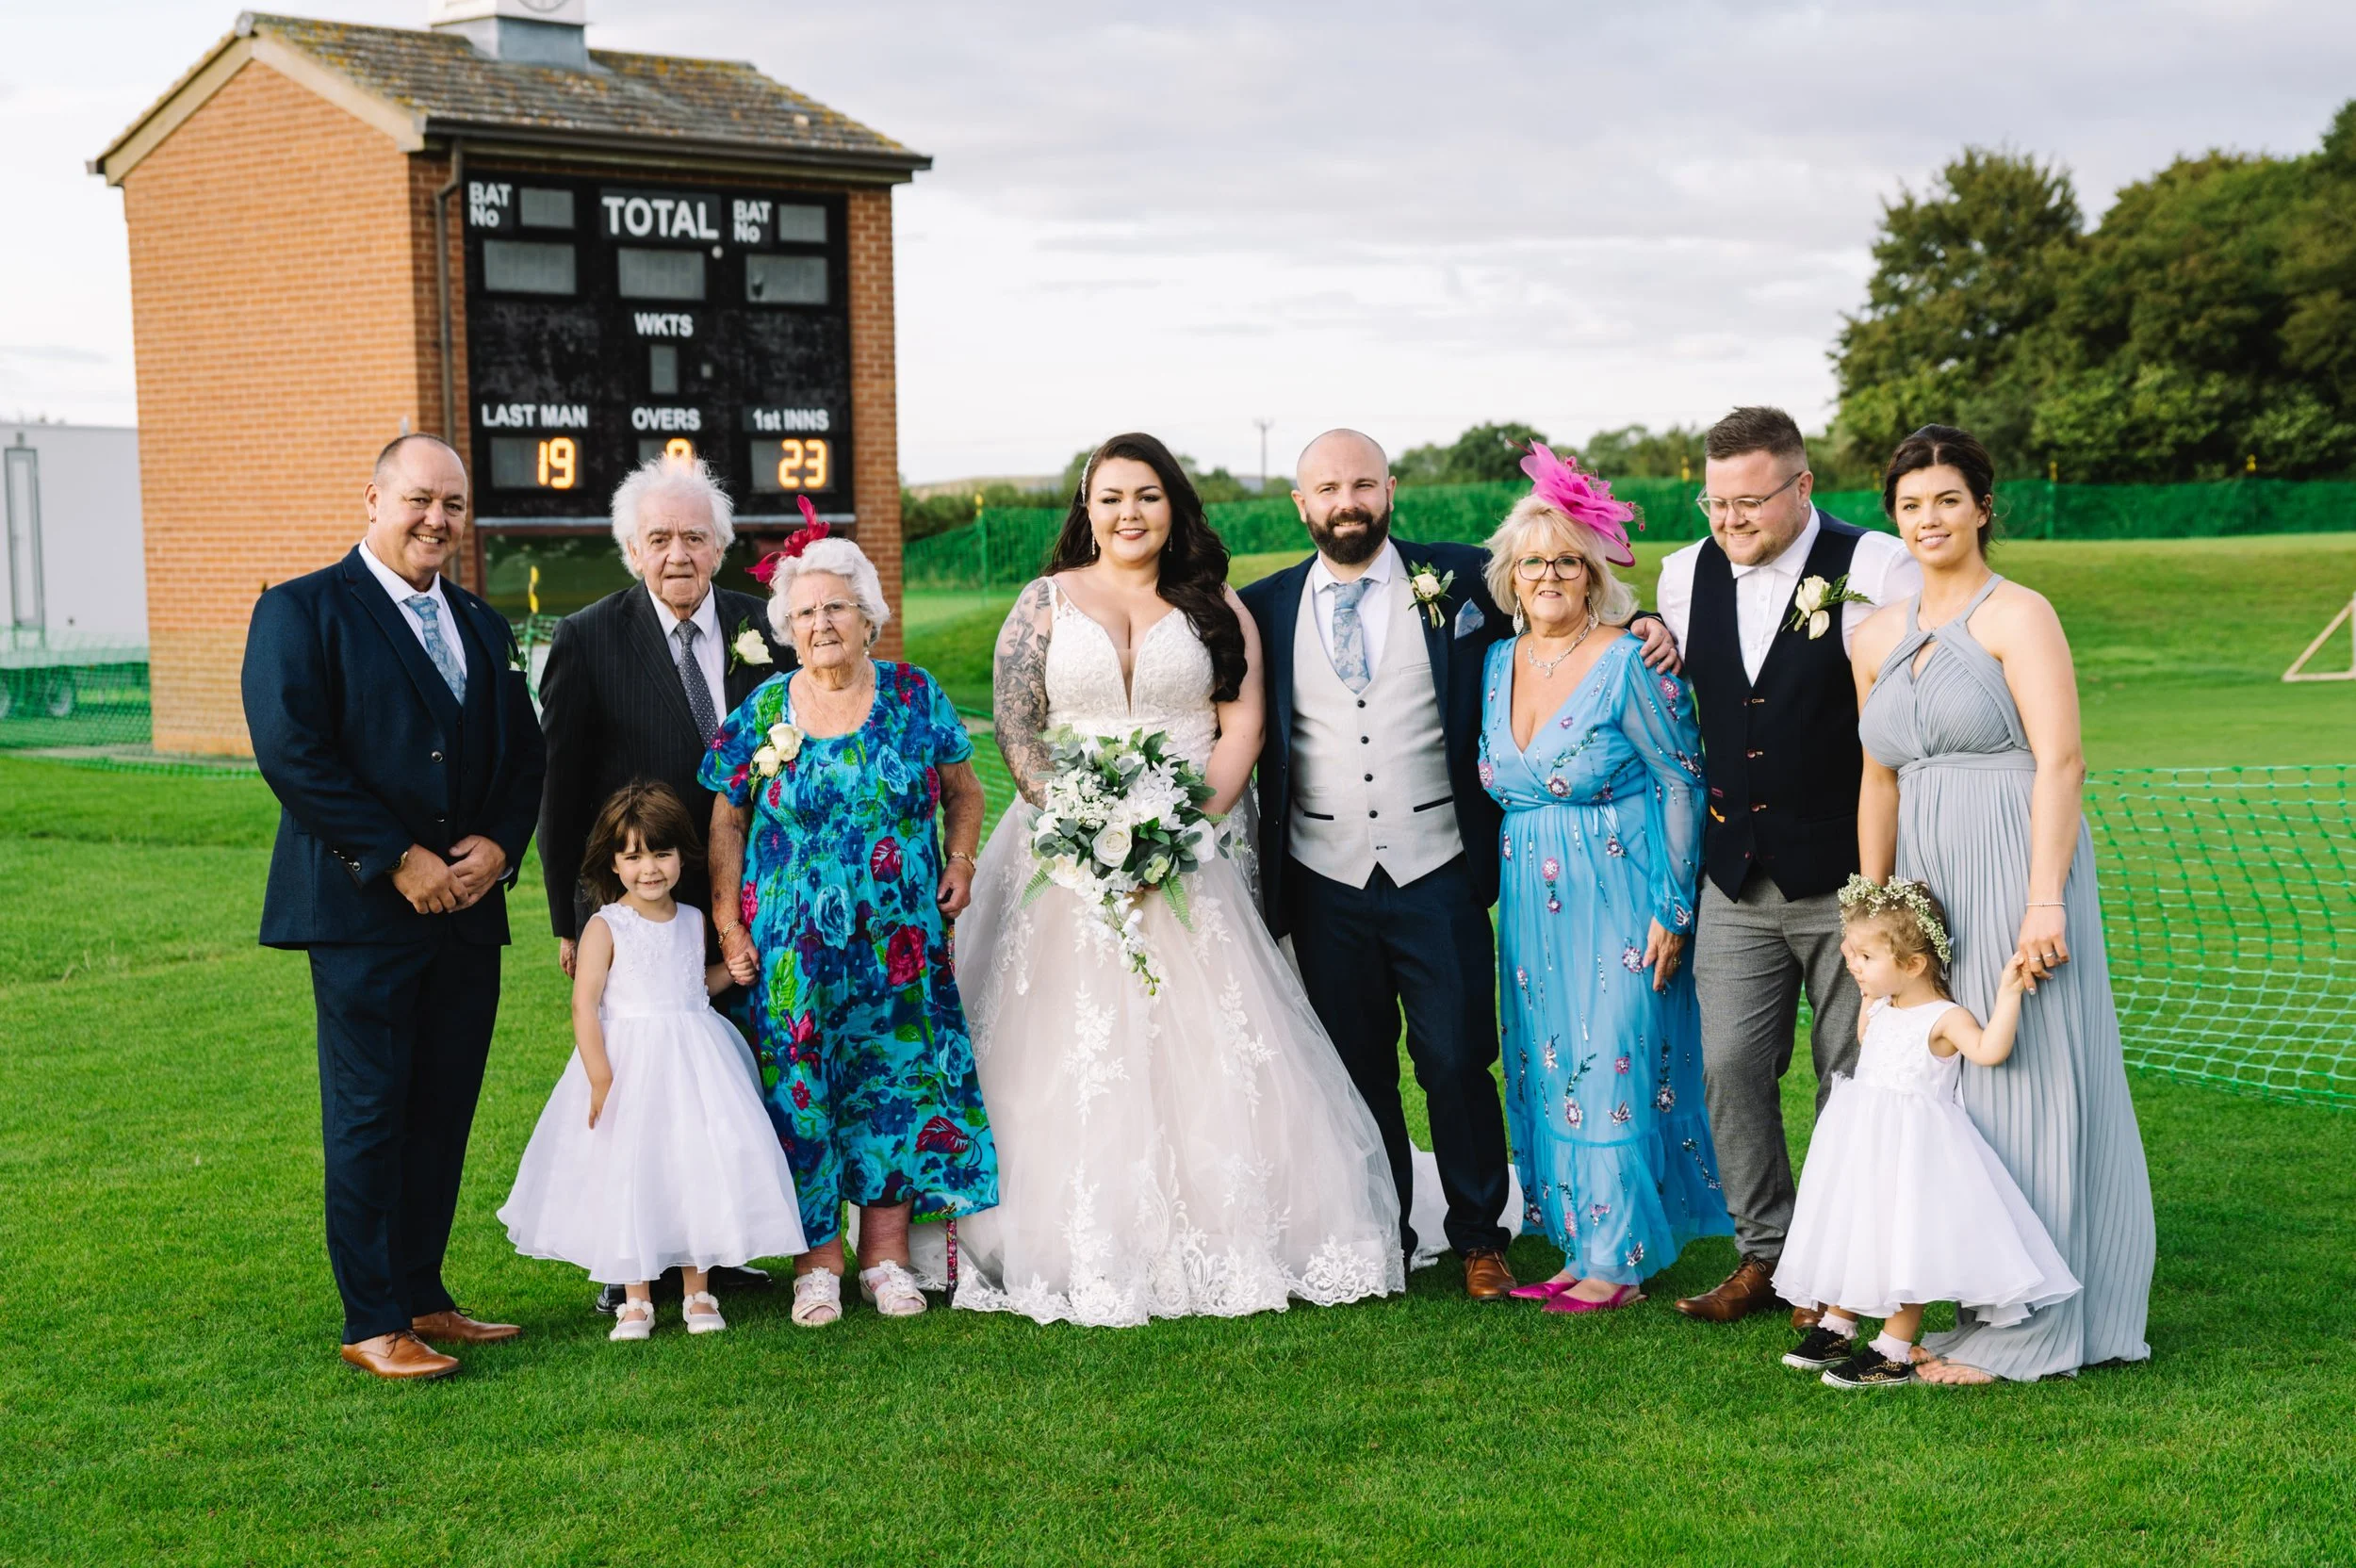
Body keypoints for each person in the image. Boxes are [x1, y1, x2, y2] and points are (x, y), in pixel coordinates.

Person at [952, 432, 1402, 1326]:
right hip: (1059, 858)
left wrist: (1178, 832)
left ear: (1174, 506)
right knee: (1058, 1045)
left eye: (1148, 496)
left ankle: (1231, 1230)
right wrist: (1083, 831)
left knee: (1215, 1046)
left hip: (1193, 854)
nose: (1130, 514)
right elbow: (1018, 729)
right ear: (1087, 510)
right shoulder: (1043, 603)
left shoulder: (1215, 606)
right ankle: (1060, 1235)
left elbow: (1243, 728)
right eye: (1112, 497)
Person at [1852, 424, 2153, 1384]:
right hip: (1926, 879)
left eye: (1947, 499)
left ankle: (2037, 1329)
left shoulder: (2020, 614)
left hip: (2016, 858)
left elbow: (2060, 760)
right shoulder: (1870, 634)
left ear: (1982, 508)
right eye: (1910, 504)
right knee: (1955, 1089)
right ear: (1893, 517)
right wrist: (1873, 914)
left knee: (2028, 1075)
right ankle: (1983, 1300)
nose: (1928, 518)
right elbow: (1878, 778)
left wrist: (2043, 899)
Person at [241, 433, 546, 1380]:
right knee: (370, 1113)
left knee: (441, 1110)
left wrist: (500, 845)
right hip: (361, 913)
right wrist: (393, 857)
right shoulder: (300, 610)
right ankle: (372, 1319)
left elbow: (524, 753)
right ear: (372, 499)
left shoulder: (482, 623)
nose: (437, 520)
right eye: (419, 499)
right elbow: (293, 751)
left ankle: (421, 1293)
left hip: (468, 912)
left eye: (453, 505)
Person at [1652, 405, 1924, 1328]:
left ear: (1802, 486)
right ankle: (1765, 1254)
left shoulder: (1878, 564)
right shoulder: (1681, 575)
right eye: (1714, 502)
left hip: (1849, 877)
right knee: (1729, 1066)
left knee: (1853, 1075)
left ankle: (1845, 1268)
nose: (1729, 520)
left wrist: (1889, 883)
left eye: (1750, 502)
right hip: (1734, 874)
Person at [701, 526, 998, 1328]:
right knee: (802, 1096)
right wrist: (728, 924)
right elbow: (726, 820)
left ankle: (885, 1261)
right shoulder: (765, 708)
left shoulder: (913, 694)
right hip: (792, 953)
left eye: (836, 607)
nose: (821, 623)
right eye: (804, 613)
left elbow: (964, 791)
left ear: (870, 616)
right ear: (785, 628)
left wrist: (961, 860)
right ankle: (816, 1267)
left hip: (899, 949)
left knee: (894, 1089)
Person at [534, 454, 793, 1315]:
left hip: (759, 898)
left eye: (694, 536)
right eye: (659, 539)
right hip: (642, 903)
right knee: (645, 1093)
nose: (677, 553)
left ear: (720, 545)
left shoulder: (767, 626)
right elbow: (561, 793)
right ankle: (632, 1256)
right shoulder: (586, 638)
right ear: (631, 551)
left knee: (726, 1088)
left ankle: (718, 1243)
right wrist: (573, 919)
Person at [1478, 449, 1732, 1313]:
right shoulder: (1497, 663)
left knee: (1612, 1065)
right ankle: (1580, 1242)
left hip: (1621, 895)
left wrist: (1673, 908)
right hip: (1531, 904)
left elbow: (1682, 779)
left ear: (1592, 573)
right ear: (1512, 579)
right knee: (1551, 1066)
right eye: (1533, 563)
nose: (1549, 576)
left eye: (1567, 561)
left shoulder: (1631, 661)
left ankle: (1616, 1263)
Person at [499, 782, 806, 1341]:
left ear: (681, 857)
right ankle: (635, 1298)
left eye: (661, 854)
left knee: (694, 1165)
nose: (649, 869)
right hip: (630, 1067)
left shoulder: (692, 919)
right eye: (634, 856)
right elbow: (585, 1004)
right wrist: (600, 1077)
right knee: (633, 1172)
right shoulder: (605, 925)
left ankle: (698, 1290)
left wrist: (730, 974)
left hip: (695, 1064)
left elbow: (691, 986)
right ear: (614, 863)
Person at [1774, 877, 2078, 1390]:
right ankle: (1838, 1326)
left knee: (1905, 1245)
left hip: (1913, 1154)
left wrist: (2009, 994)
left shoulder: (1944, 1017)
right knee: (1854, 1229)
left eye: (1865, 957)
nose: (1853, 966)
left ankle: (1891, 1351)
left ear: (1914, 964)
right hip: (1862, 1146)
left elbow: (1989, 1050)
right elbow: (1868, 1044)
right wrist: (1868, 994)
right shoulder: (1880, 1006)